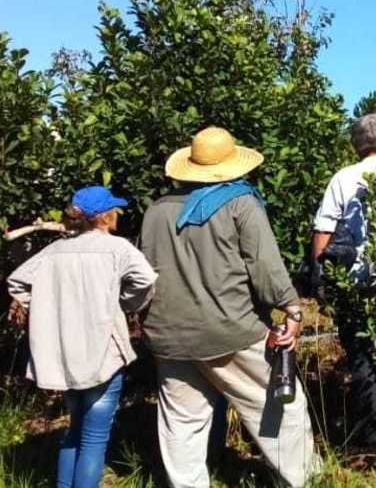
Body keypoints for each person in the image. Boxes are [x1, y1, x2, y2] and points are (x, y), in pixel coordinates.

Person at [140, 127, 321, 488]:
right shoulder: (240, 203)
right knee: (282, 409)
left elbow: (145, 274)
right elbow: (265, 266)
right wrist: (292, 309)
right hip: (232, 330)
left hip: (170, 335)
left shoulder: (156, 211)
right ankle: (305, 480)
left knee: (183, 425)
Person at [7, 186, 157, 488]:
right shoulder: (119, 249)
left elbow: (18, 282)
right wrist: (124, 303)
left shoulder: (54, 251)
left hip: (64, 353)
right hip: (103, 356)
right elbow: (145, 281)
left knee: (74, 429)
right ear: (105, 217)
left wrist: (45, 309)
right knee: (94, 438)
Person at [311, 113, 376, 448]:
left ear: (356, 143)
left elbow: (324, 230)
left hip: (353, 281)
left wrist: (319, 275)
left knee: (360, 354)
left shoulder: (343, 178)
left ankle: (370, 435)